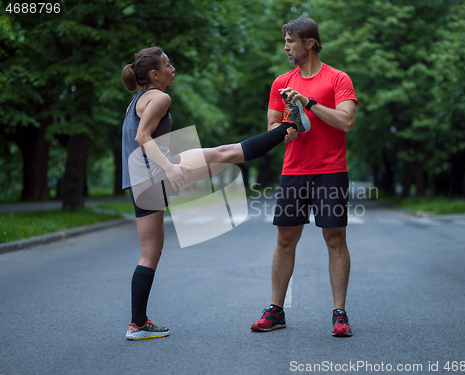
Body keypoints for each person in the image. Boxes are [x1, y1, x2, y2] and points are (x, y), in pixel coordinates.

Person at [121, 46, 310, 340]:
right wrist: (170, 169)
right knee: (225, 153)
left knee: (149, 254)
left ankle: (137, 324)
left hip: (138, 183)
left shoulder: (138, 99)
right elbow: (141, 137)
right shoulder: (160, 97)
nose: (174, 69)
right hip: (158, 172)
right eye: (168, 65)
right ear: (154, 74)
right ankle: (290, 126)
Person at [250, 17, 358, 337]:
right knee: (285, 240)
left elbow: (347, 121)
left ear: (309, 43)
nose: (285, 47)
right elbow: (272, 126)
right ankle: (276, 311)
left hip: (331, 171)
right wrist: (286, 131)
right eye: (285, 41)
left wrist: (309, 103)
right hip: (294, 171)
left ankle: (339, 314)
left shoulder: (338, 79)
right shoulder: (280, 82)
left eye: (290, 41)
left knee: (335, 240)